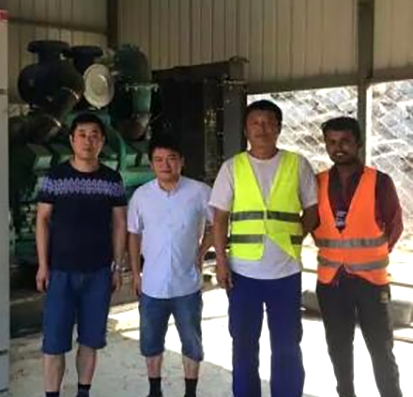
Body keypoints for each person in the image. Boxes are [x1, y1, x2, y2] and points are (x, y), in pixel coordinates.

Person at [210, 99, 318, 397]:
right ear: (246, 129)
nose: (262, 128)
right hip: (243, 274)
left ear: (279, 128)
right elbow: (219, 218)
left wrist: (292, 238)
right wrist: (221, 262)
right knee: (244, 344)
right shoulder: (232, 167)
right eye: (255, 123)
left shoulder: (297, 164)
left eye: (269, 123)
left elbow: (312, 211)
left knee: (287, 344)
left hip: (285, 272)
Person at [35, 113, 127, 397]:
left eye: (94, 135)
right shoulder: (55, 177)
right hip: (60, 272)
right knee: (54, 344)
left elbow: (120, 224)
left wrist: (117, 267)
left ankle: (83, 392)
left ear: (102, 142)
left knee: (90, 340)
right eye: (82, 135)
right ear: (72, 140)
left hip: (98, 273)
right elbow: (42, 220)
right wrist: (43, 266)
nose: (88, 141)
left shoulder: (112, 180)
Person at [313, 116, 403, 397]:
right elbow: (313, 224)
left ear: (358, 143)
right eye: (332, 142)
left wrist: (370, 254)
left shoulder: (380, 182)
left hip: (371, 282)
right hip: (331, 282)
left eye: (345, 141)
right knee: (338, 349)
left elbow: (394, 227)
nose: (338, 147)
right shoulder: (318, 182)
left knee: (381, 349)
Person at [128, 135, 213, 397]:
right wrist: (136, 273)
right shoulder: (141, 196)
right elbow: (134, 234)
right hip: (152, 285)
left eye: (171, 159)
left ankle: (190, 392)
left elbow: (218, 224)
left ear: (182, 162)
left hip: (187, 284)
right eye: (159, 160)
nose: (165, 165)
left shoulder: (200, 192)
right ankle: (155, 391)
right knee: (151, 343)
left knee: (192, 342)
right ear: (151, 164)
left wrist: (202, 251)